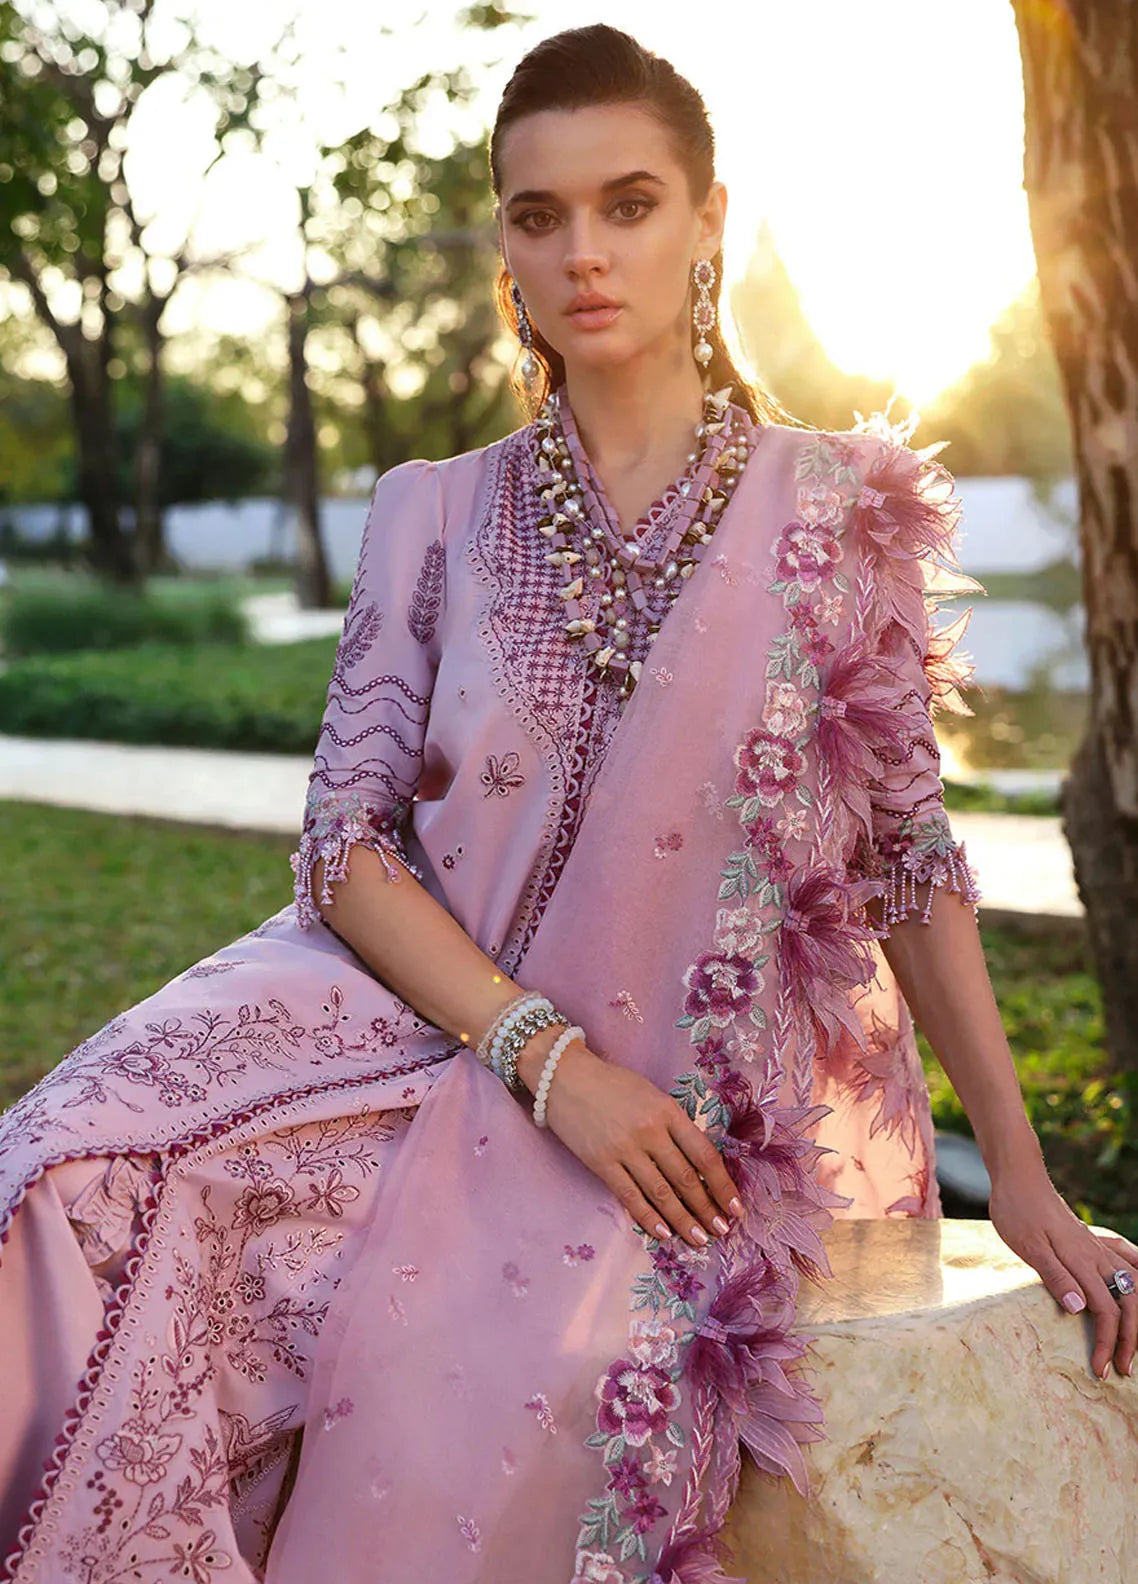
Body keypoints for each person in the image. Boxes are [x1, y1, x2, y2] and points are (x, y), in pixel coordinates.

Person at [1, 22, 1135, 1584]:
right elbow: (345, 846)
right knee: (57, 1172)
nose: (583, 252)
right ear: (507, 251)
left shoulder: (834, 515)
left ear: (708, 220)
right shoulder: (431, 511)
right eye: (539, 217)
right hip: (424, 1024)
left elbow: (905, 861)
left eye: (629, 204)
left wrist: (1016, 1168)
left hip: (694, 1090)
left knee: (481, 1374)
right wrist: (548, 1062)